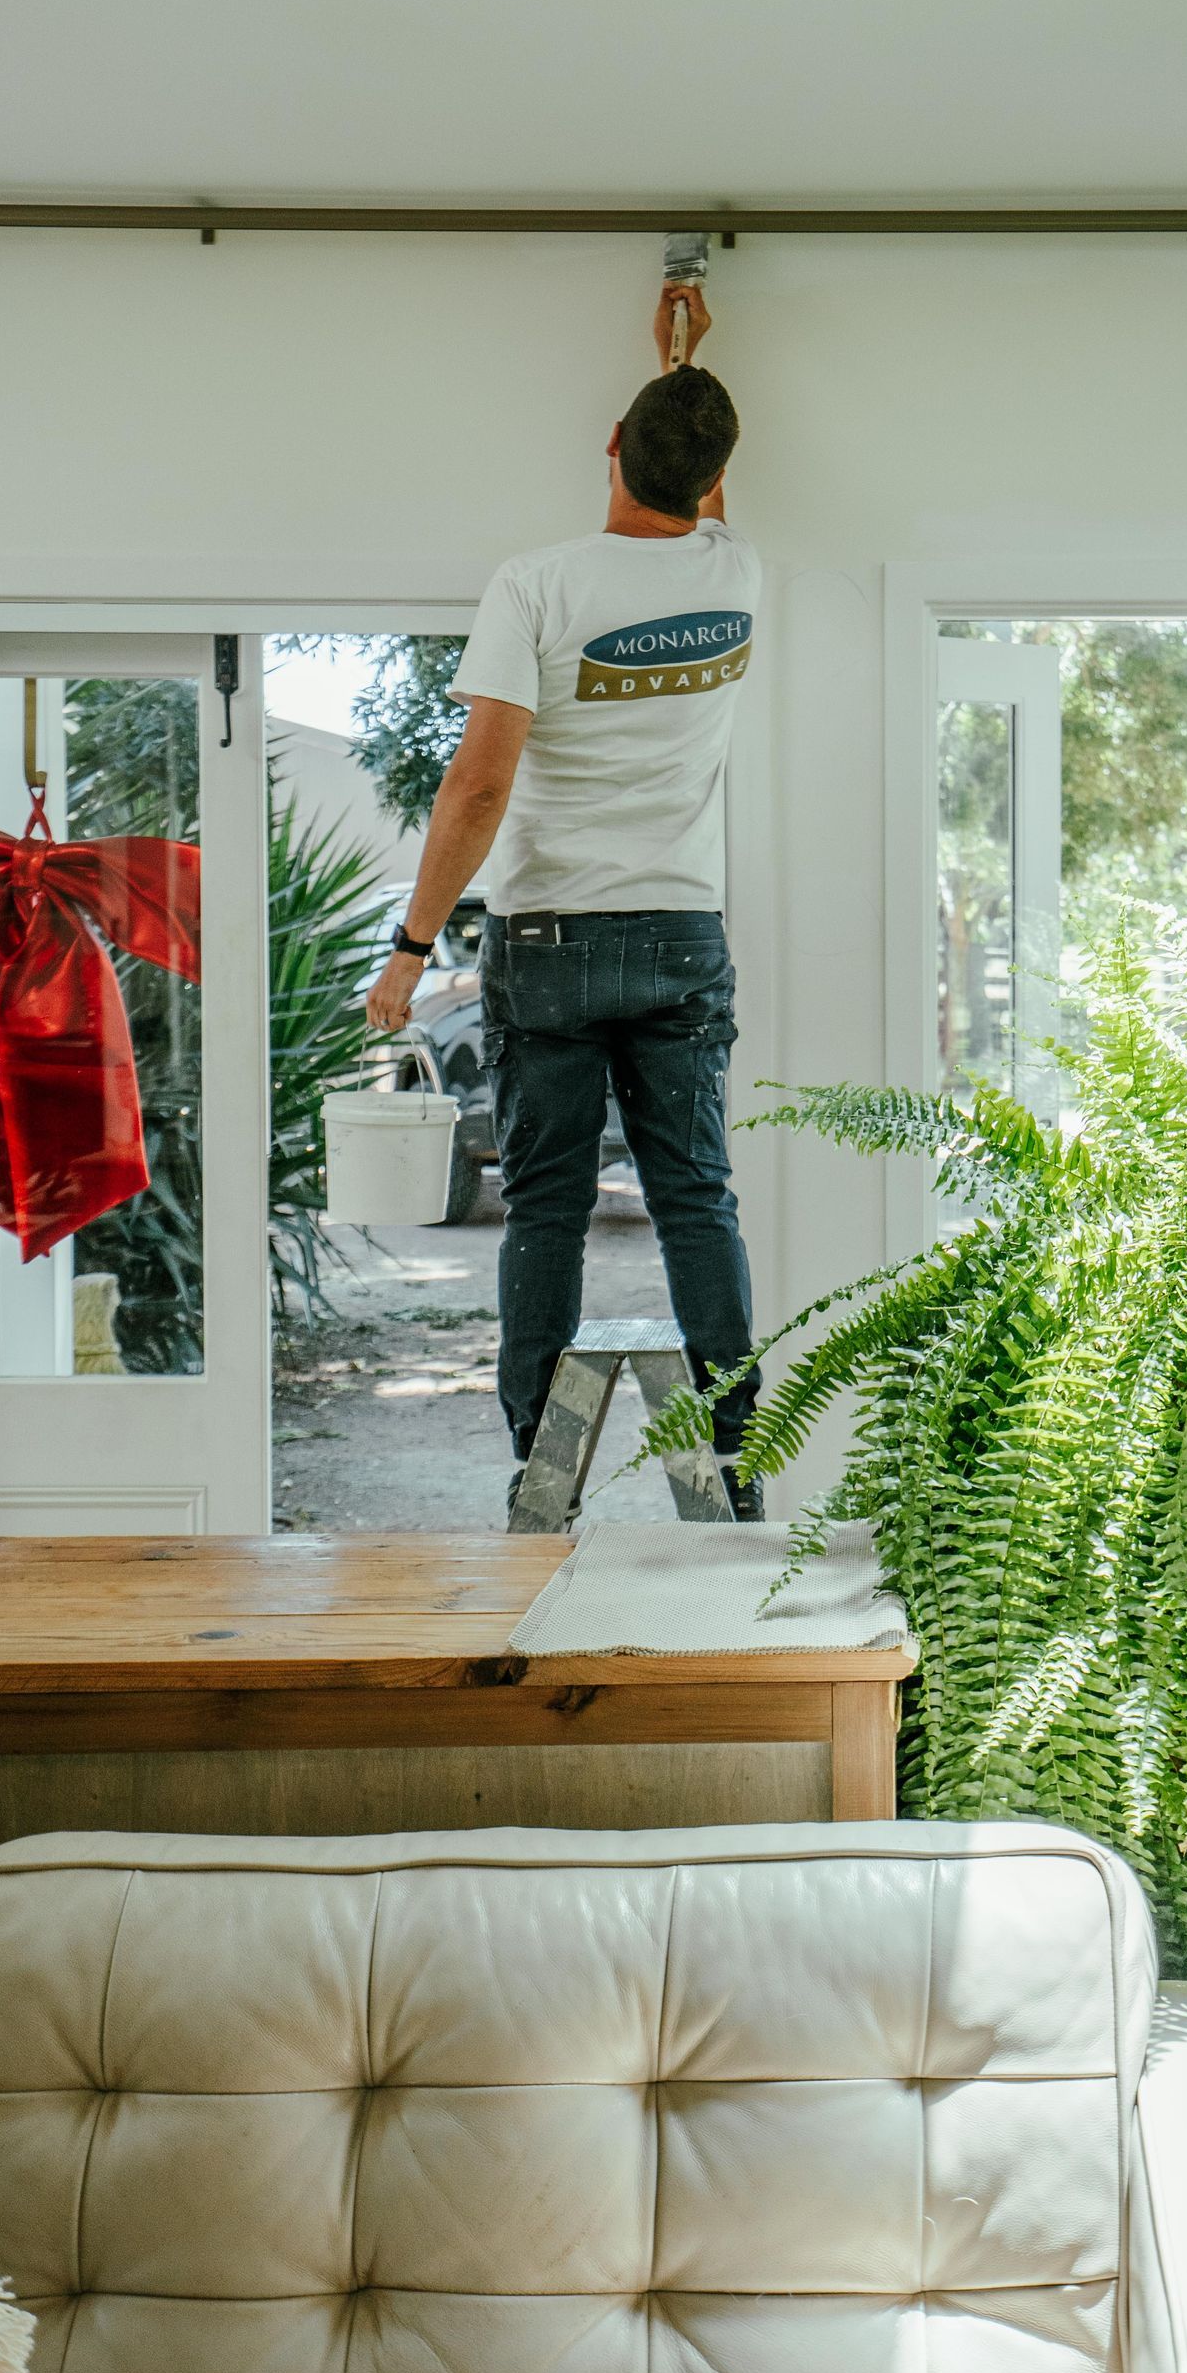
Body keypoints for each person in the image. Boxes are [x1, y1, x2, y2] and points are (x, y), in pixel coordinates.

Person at [365, 283, 763, 1518]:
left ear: (609, 451)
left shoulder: (534, 587)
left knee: (545, 1206)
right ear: (711, 484)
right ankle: (737, 1450)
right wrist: (685, 362)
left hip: (549, 939)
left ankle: (539, 1452)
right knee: (696, 1196)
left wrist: (411, 946)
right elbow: (705, 492)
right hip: (682, 929)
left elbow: (480, 783)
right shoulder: (733, 572)